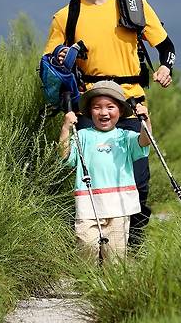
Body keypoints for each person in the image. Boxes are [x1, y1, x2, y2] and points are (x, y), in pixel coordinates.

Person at [45, 0, 175, 243]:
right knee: (92, 180)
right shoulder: (67, 15)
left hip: (131, 103)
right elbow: (49, 66)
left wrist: (166, 68)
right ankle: (94, 249)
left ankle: (133, 247)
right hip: (89, 104)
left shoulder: (133, 5)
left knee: (139, 181)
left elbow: (166, 48)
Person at [59, 81, 151, 260]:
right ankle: (89, 283)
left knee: (115, 255)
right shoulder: (83, 135)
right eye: (97, 107)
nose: (103, 112)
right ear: (90, 111)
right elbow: (65, 159)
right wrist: (65, 129)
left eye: (110, 107)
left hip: (119, 206)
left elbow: (145, 141)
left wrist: (145, 120)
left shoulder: (125, 137)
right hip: (88, 204)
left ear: (120, 111)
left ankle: (111, 287)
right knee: (86, 245)